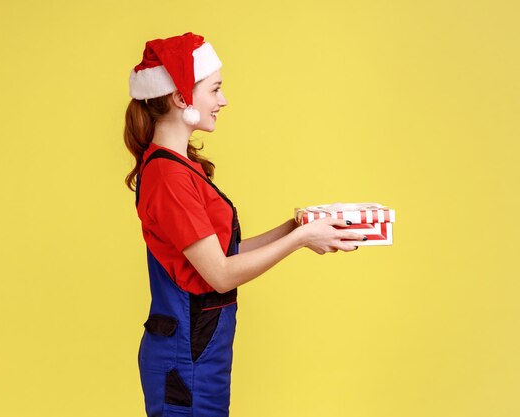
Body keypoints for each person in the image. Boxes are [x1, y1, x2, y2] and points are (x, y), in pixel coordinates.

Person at [124, 32, 365, 417]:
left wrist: (296, 226)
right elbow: (220, 274)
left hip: (199, 349)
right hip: (185, 355)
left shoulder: (180, 168)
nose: (223, 100)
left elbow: (220, 256)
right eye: (215, 89)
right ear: (182, 97)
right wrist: (303, 238)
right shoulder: (169, 177)